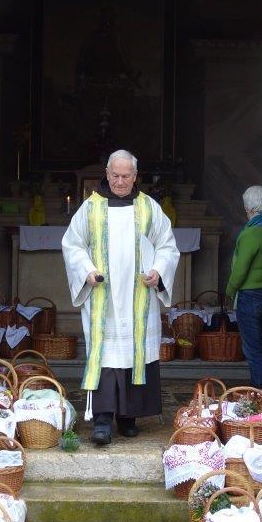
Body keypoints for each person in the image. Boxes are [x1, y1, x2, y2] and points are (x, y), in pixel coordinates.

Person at [62, 151, 179, 446]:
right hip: (105, 298)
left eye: (126, 176)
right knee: (107, 357)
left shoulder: (149, 208)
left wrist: (158, 271)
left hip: (138, 295)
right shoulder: (91, 208)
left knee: (133, 354)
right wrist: (87, 271)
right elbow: (73, 245)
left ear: (135, 176)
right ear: (107, 173)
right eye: (115, 175)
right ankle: (102, 420)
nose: (120, 181)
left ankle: (129, 417)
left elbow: (167, 246)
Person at [225, 185, 262, 391]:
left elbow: (240, 269)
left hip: (250, 296)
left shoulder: (252, 233)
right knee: (259, 344)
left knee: (252, 349)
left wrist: (229, 291)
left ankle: (259, 390)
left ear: (248, 207)